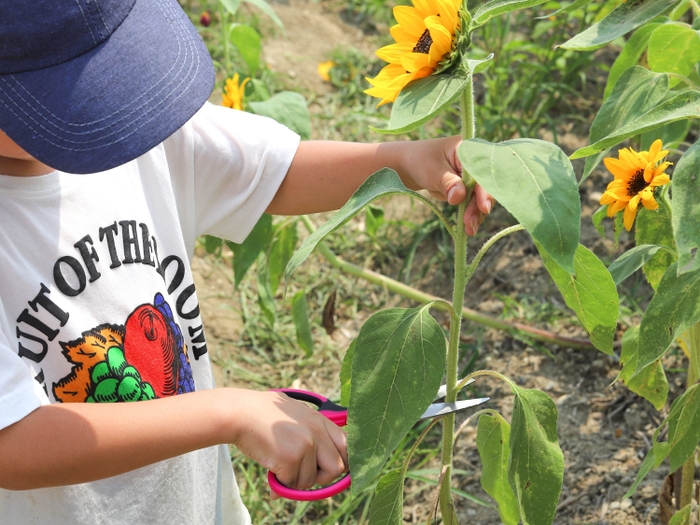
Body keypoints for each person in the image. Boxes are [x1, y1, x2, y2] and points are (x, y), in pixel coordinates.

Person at [0, 0, 493, 524]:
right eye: (62, 89)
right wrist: (228, 412)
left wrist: (404, 160)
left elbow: (272, 171)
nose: (98, 103)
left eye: (107, 72)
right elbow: (14, 443)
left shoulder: (131, 125)